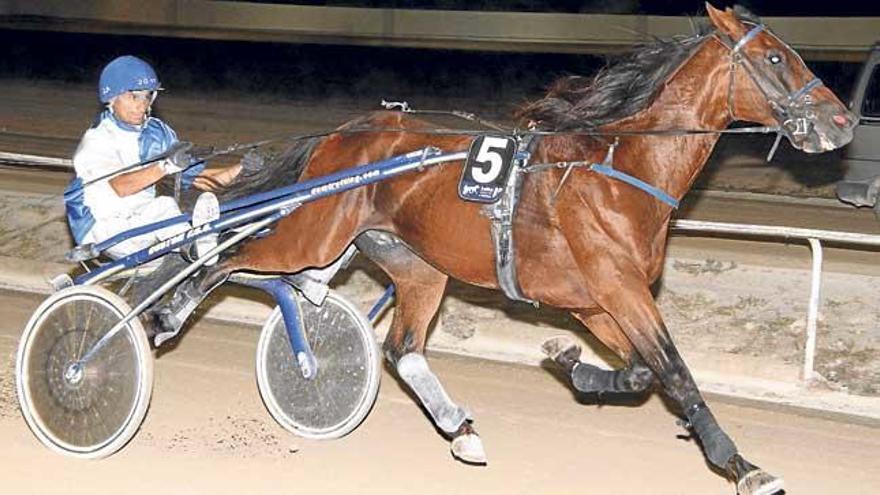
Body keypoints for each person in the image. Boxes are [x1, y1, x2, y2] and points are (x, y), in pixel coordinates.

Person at [65, 55, 241, 260]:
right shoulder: (97, 140)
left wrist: (242, 169)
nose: (142, 105)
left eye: (148, 96)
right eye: (134, 97)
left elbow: (202, 180)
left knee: (168, 207)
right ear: (112, 97)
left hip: (139, 221)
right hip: (105, 230)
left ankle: (198, 242)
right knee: (164, 206)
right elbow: (121, 187)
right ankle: (196, 247)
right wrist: (166, 165)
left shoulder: (157, 133)